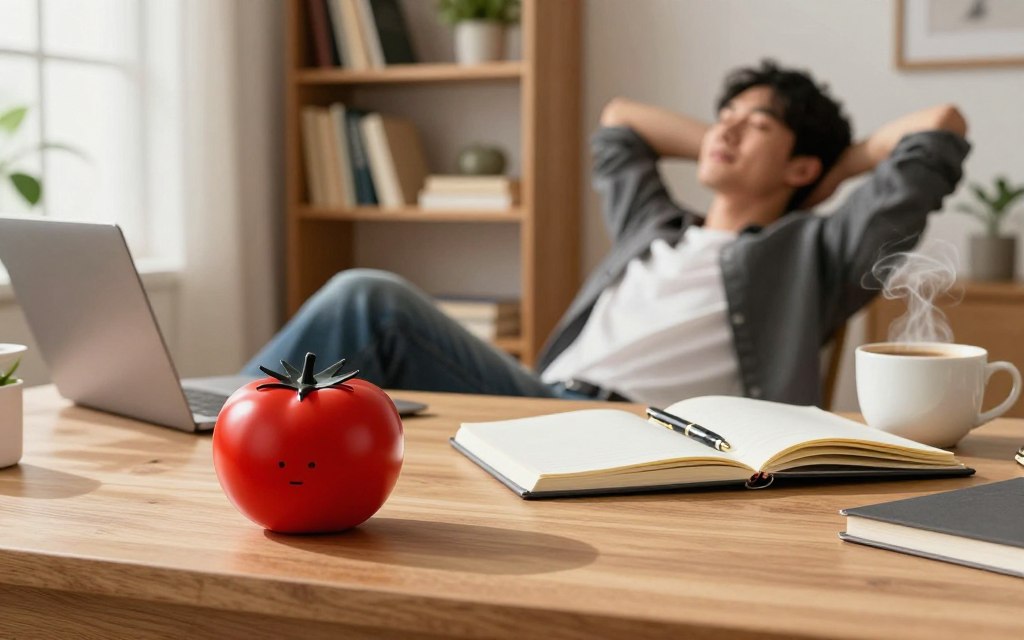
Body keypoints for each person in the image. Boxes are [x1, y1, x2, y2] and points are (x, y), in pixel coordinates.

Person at [244, 60, 969, 407]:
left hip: (632, 432)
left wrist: (831, 173)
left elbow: (939, 128)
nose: (726, 129)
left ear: (803, 163)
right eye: (726, 115)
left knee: (369, 297)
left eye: (760, 124)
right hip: (543, 398)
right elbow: (620, 122)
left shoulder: (815, 251)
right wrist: (740, 137)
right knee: (360, 312)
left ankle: (226, 420)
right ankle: (230, 424)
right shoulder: (653, 227)